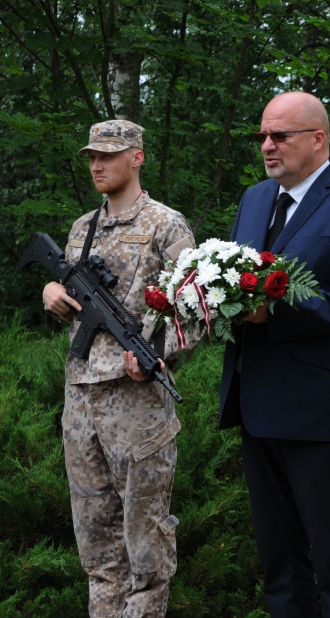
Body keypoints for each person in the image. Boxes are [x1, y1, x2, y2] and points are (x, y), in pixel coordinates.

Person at [218, 91, 330, 618]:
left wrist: (278, 313)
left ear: (318, 140)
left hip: (318, 411)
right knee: (279, 564)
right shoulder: (254, 199)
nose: (267, 147)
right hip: (255, 403)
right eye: (262, 137)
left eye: (280, 136)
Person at [41, 120, 197, 616]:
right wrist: (51, 294)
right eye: (92, 156)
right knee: (97, 549)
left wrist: (160, 353)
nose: (96, 165)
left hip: (137, 402)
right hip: (81, 398)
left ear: (137, 157)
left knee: (144, 550)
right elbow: (66, 290)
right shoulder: (82, 229)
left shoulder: (167, 225)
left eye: (108, 155)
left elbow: (195, 312)